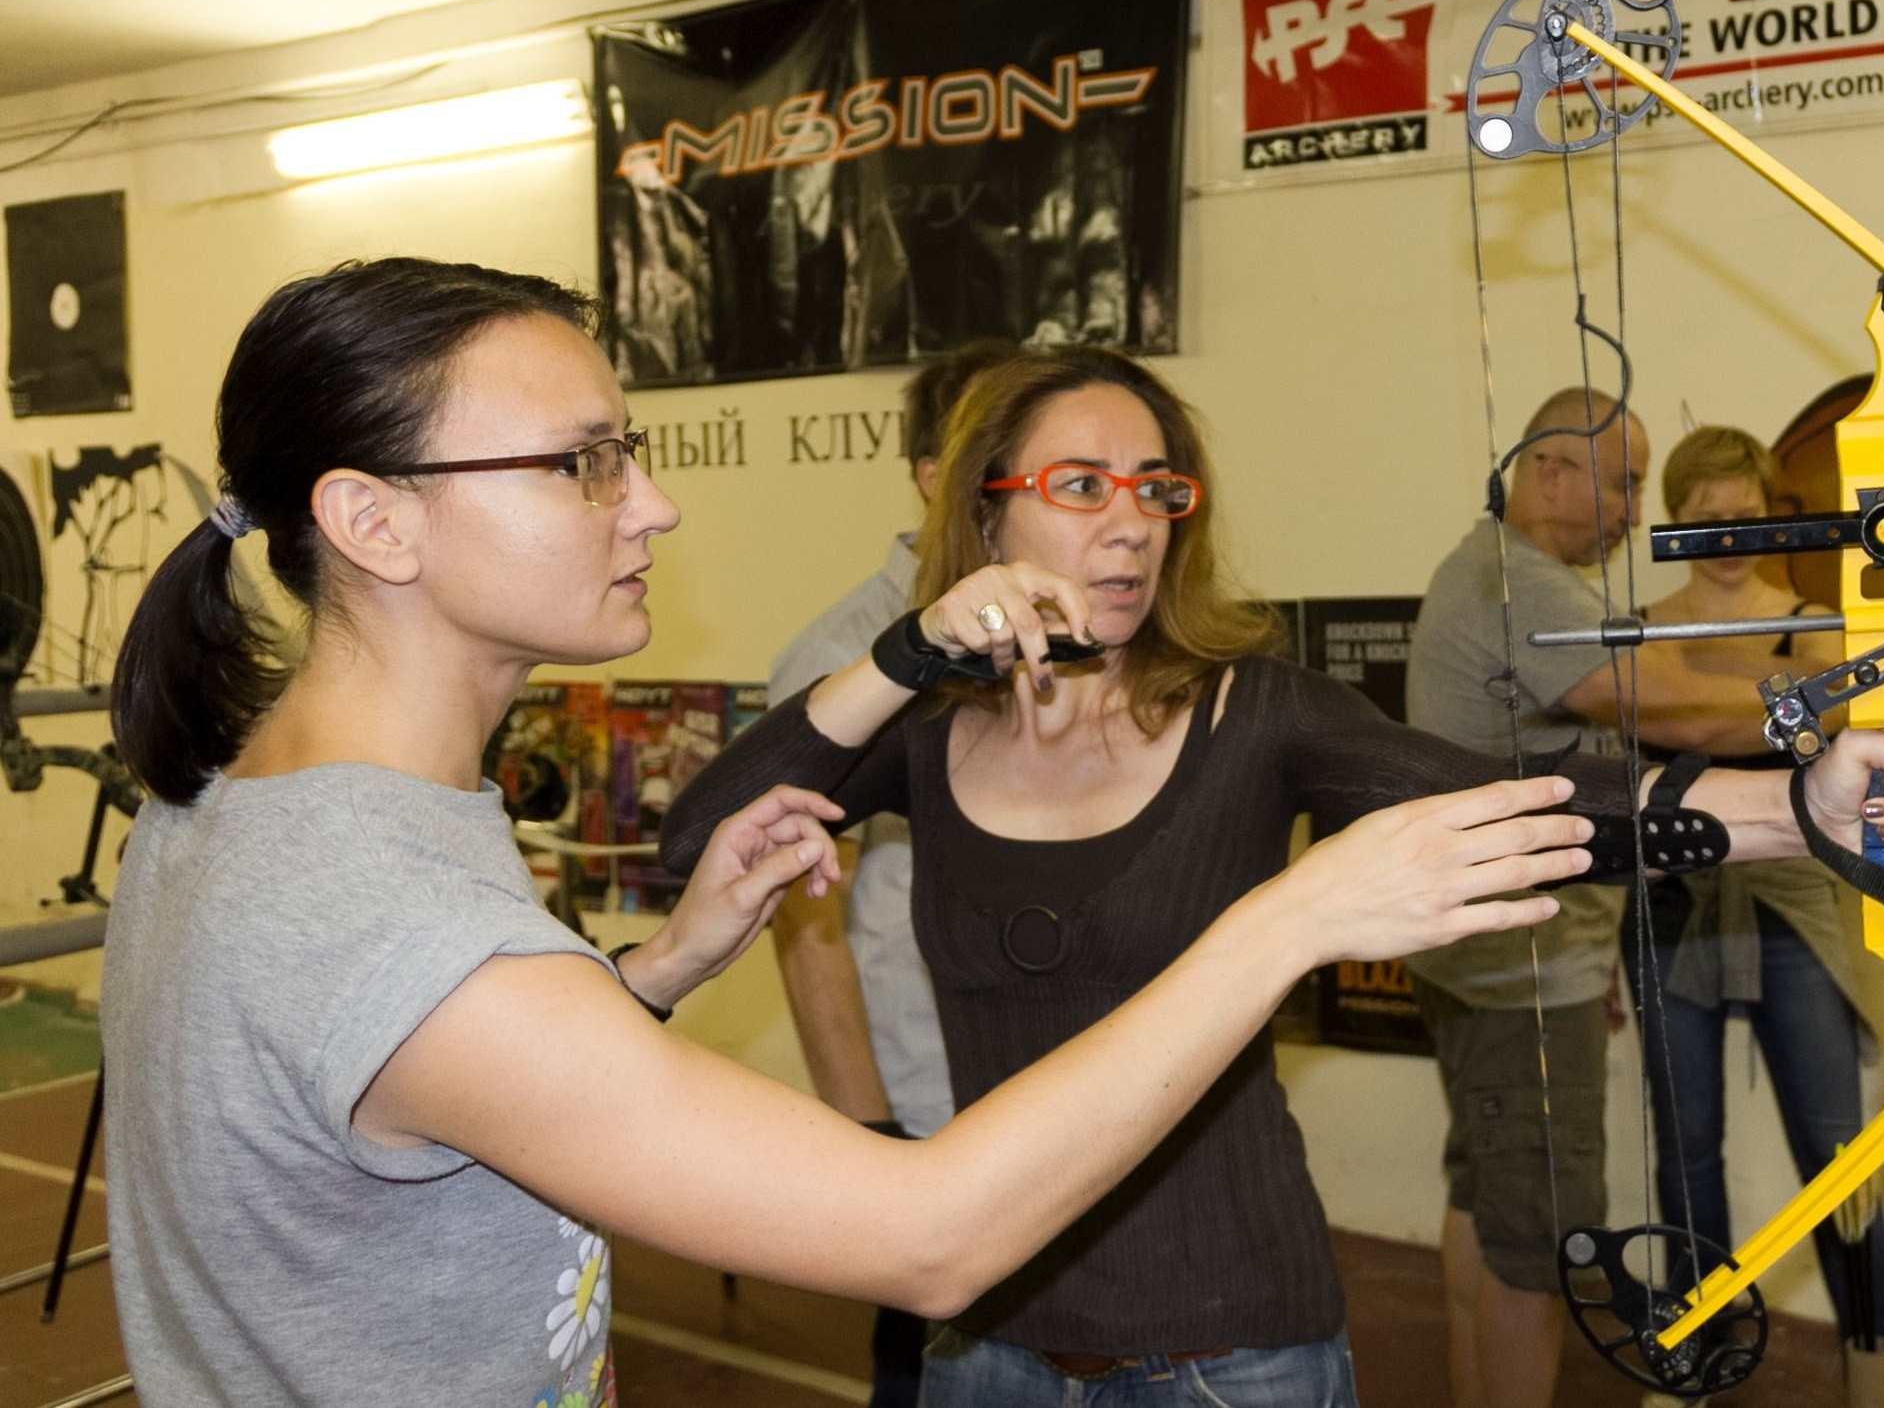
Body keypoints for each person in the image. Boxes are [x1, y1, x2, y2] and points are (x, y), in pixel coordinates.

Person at [98, 258, 1601, 1408]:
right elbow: (931, 1237)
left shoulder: (248, 803)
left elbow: (413, 1083)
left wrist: (653, 972)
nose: (656, 508)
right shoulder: (399, 915)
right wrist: (1293, 915)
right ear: (373, 520)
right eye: (586, 463)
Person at [661, 348, 1884, 1407]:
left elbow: (1535, 799)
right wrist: (907, 651)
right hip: (983, 1346)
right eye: (1083, 485)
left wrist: (1799, 805)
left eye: (1157, 489)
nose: (1130, 523)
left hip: (1235, 1351)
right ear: (987, 501)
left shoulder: (1255, 713)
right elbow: (700, 838)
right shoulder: (924, 738)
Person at [1404, 388, 1784, 1408]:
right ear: (1550, 472)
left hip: (1503, 958)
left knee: (1487, 1201)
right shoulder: (1517, 582)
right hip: (1515, 973)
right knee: (1544, 1242)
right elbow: (1663, 705)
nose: (1630, 509)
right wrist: (1832, 701)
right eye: (1619, 480)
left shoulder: (1511, 572)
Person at [1622, 424, 1884, 1408]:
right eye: (1705, 520)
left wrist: (1679, 702)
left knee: (1840, 1160)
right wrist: (1774, 703)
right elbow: (1732, 721)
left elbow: (1762, 722)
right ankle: (1693, 1367)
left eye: (1743, 517)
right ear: (1673, 521)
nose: (1728, 536)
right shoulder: (1636, 624)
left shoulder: (1814, 621)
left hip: (1794, 907)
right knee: (1686, 1155)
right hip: (1669, 904)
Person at [766, 335, 1017, 1408]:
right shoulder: (839, 658)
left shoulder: (1090, 640)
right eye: (992, 458)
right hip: (928, 1102)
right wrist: (863, 1125)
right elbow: (801, 914)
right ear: (929, 474)